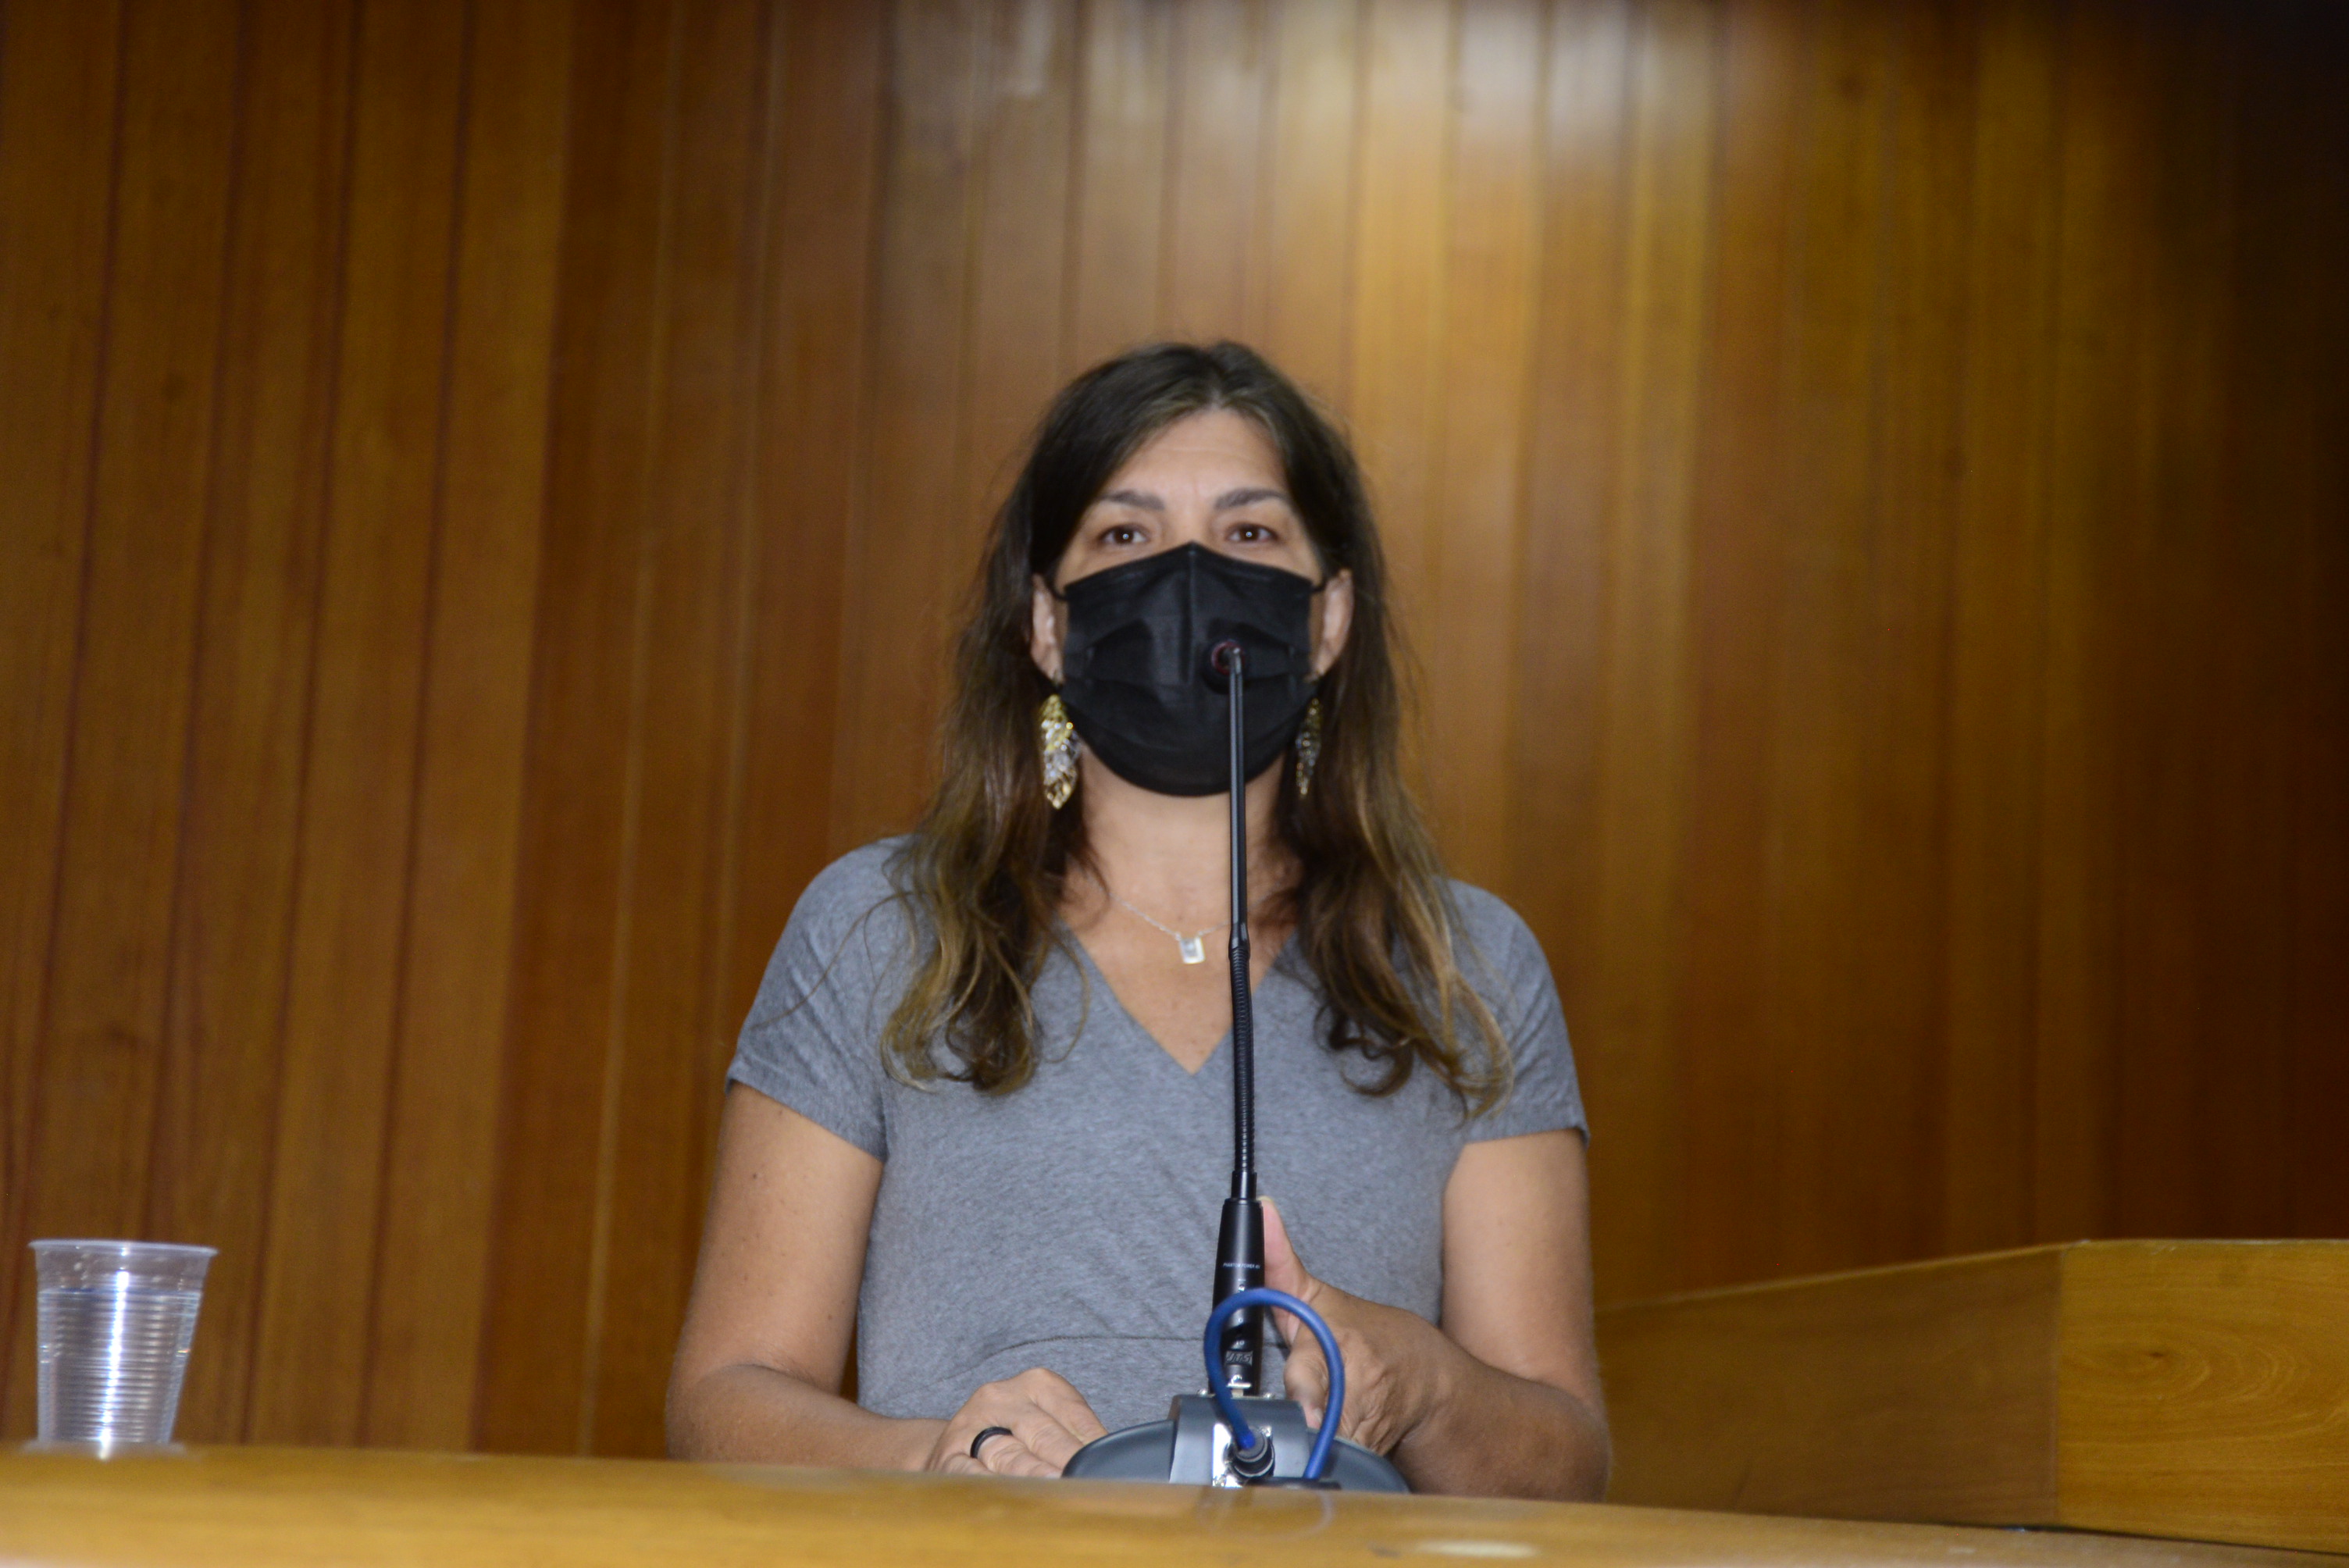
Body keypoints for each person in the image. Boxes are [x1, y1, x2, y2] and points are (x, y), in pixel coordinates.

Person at [667, 342, 1608, 1499]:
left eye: (1249, 532)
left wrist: (1428, 1385)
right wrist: (931, 1457)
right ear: (1046, 624)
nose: (1190, 578)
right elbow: (726, 1398)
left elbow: (1565, 1464)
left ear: (1329, 619)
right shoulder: (881, 929)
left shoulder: (1468, 967)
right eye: (1125, 535)